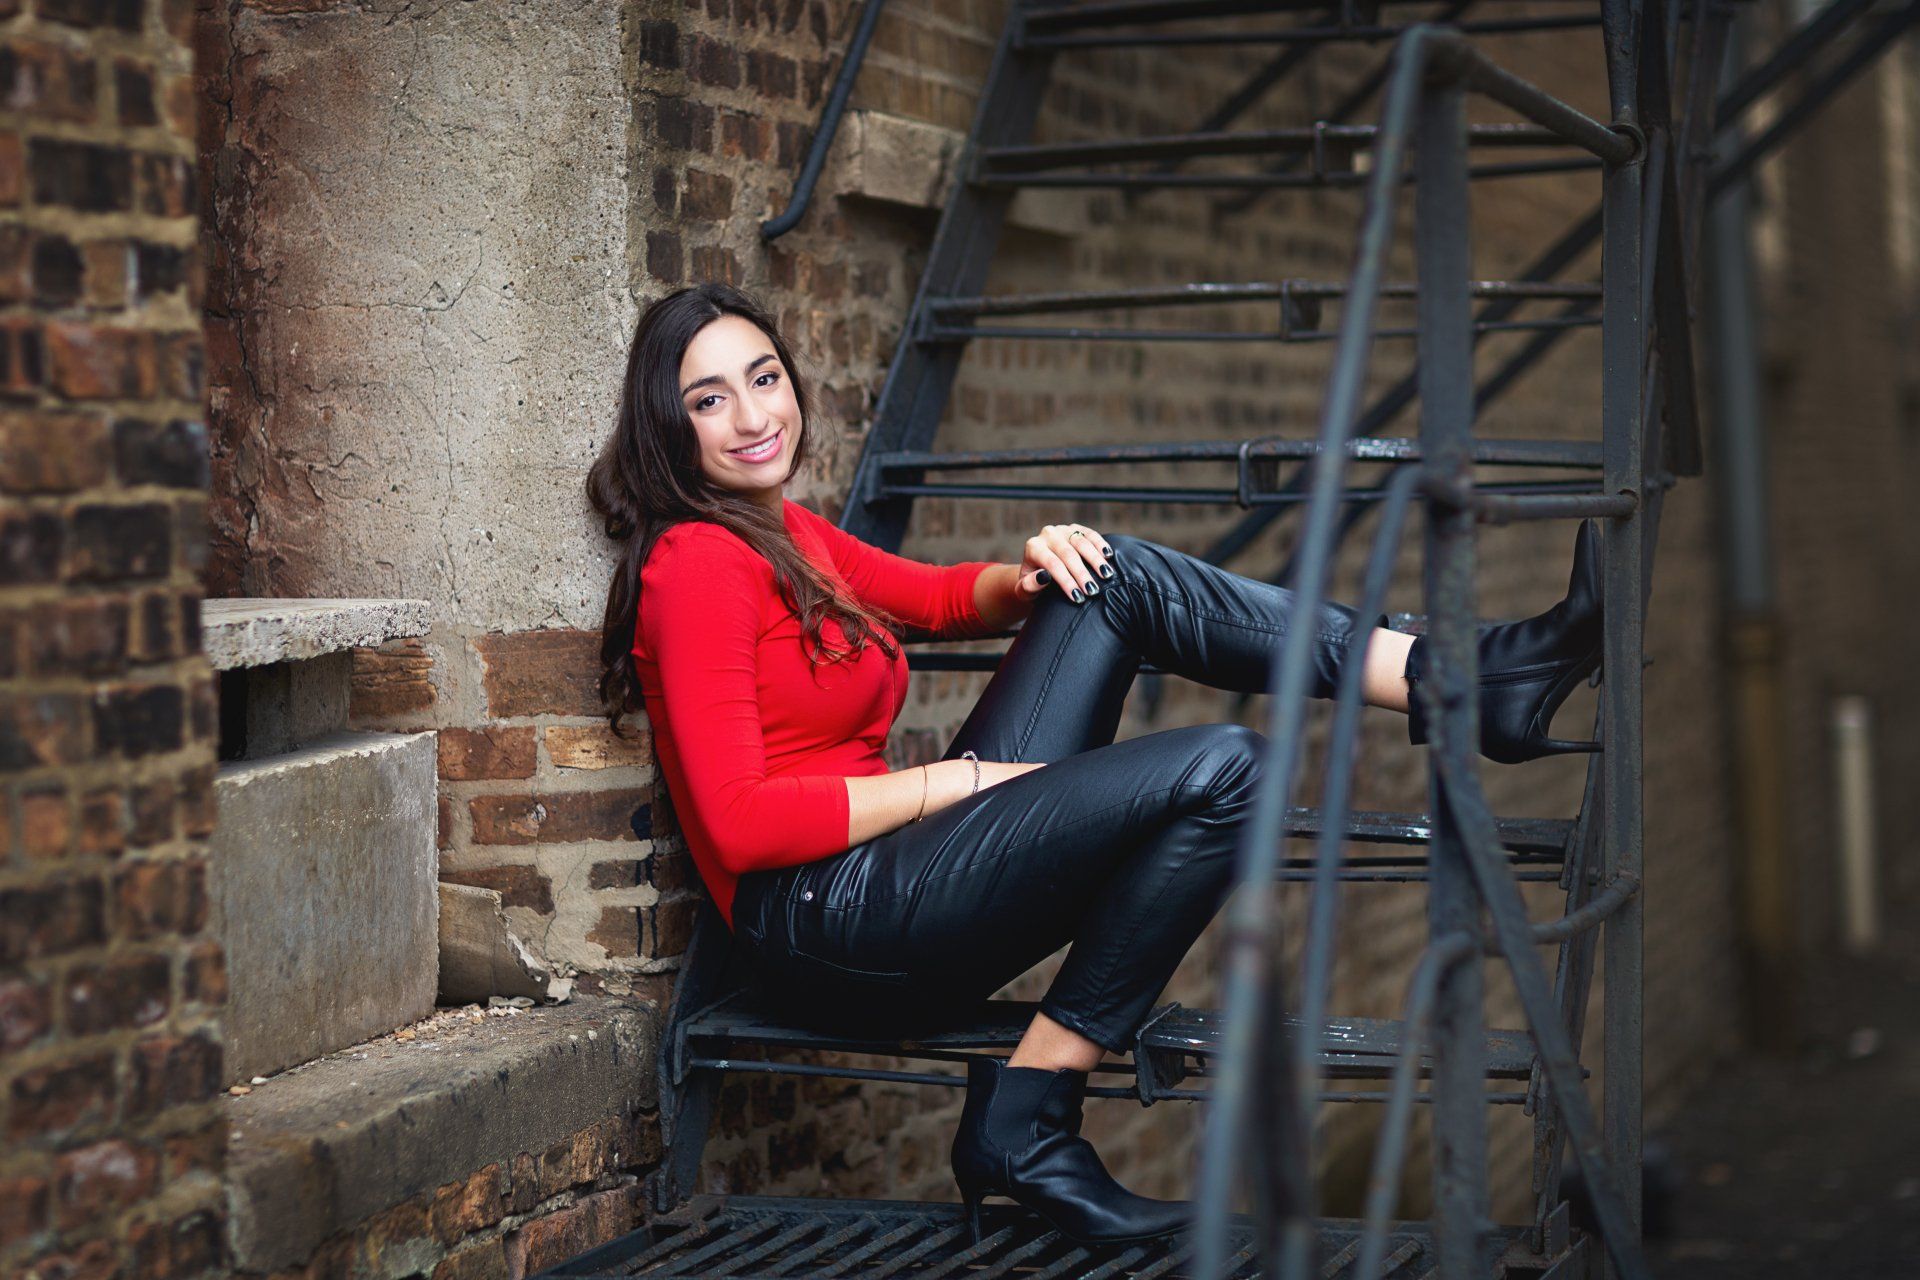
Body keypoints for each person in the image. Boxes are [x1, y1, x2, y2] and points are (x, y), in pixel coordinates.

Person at [585, 283, 1602, 1248]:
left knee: (1108, 569)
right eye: (708, 399)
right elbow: (740, 823)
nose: (752, 414)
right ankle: (1030, 1113)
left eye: (764, 377)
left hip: (892, 873)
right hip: (826, 922)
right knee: (1229, 767)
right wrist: (959, 783)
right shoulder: (699, 564)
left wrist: (1033, 572)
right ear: (668, 427)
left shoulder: (774, 531)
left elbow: (936, 596)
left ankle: (1465, 679)